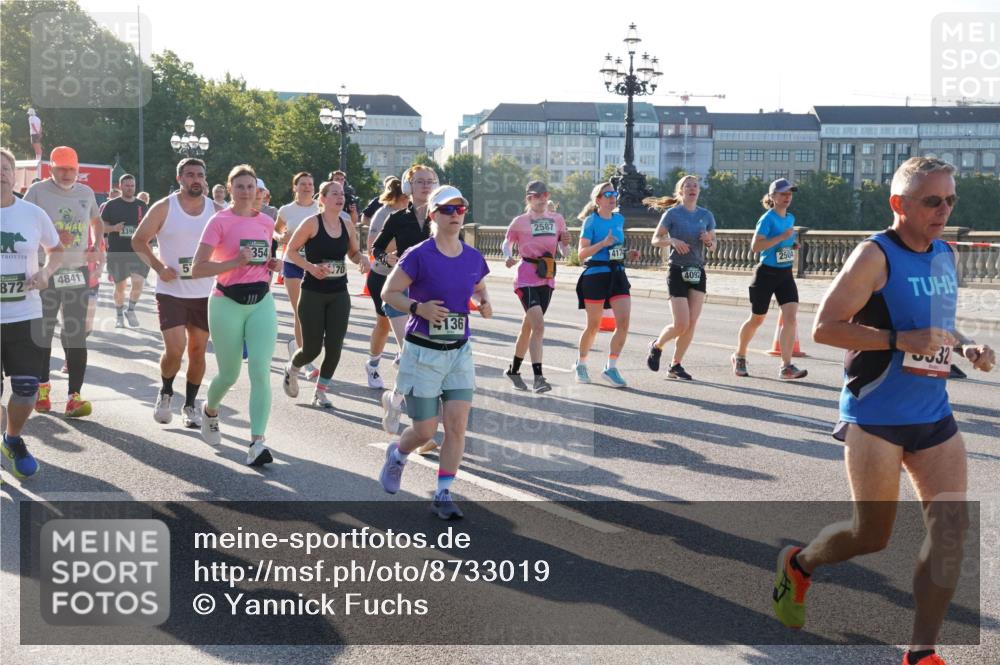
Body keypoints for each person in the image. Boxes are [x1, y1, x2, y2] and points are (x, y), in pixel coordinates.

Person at [773, 157, 995, 665]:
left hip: (933, 414)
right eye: (932, 201)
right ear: (899, 204)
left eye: (950, 200)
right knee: (870, 536)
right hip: (875, 416)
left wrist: (966, 347)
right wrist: (898, 340)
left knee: (951, 532)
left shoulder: (945, 253)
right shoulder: (874, 256)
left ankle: (922, 652)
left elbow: (938, 324)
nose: (944, 210)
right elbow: (825, 327)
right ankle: (801, 565)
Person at [377, 185, 491, 520]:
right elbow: (389, 293)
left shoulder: (472, 256)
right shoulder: (418, 254)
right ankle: (398, 455)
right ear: (433, 215)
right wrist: (418, 307)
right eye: (447, 209)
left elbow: (479, 287)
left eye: (460, 209)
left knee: (456, 426)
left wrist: (483, 302)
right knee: (425, 431)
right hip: (423, 353)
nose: (455, 215)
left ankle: (443, 493)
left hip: (459, 352)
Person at [191, 164, 281, 466]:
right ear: (230, 189)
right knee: (229, 373)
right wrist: (233, 262)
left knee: (260, 370)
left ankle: (257, 442)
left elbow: (263, 259)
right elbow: (198, 268)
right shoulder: (219, 221)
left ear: (259, 191)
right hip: (226, 302)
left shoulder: (267, 222)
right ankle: (210, 410)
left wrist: (272, 265)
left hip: (261, 302)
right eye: (240, 186)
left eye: (251, 186)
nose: (246, 191)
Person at [132, 157, 219, 429]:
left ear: (205, 179)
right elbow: (138, 240)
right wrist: (159, 267)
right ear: (180, 178)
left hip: (204, 293)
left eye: (200, 175)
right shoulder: (164, 207)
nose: (196, 179)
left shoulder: (216, 210)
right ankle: (166, 391)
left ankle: (191, 405)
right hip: (171, 291)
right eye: (190, 174)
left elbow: (232, 243)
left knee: (197, 350)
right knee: (175, 349)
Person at [24, 146, 103, 418]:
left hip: (77, 271)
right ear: (52, 169)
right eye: (62, 169)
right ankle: (42, 388)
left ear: (78, 170)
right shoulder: (37, 192)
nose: (68, 174)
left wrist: (97, 246)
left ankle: (74, 397)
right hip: (45, 272)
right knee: (43, 333)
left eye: (72, 169)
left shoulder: (86, 193)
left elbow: (96, 220)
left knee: (75, 335)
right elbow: (24, 225)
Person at [0, 147, 63, 478]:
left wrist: (46, 273)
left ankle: (12, 439)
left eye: (6, 168)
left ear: (14, 174)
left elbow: (57, 250)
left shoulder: (32, 214)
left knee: (26, 389)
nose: (1, 173)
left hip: (26, 314)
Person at [282, 180, 370, 407]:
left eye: (342, 194)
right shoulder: (311, 223)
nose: (340, 198)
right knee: (312, 349)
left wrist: (361, 258)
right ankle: (292, 368)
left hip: (339, 292)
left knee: (335, 346)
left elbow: (352, 252)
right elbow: (290, 251)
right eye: (334, 194)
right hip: (312, 292)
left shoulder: (347, 224)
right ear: (322, 199)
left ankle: (320, 392)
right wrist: (310, 267)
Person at [372, 165, 437, 434]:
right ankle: (419, 424)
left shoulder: (442, 218)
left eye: (430, 182)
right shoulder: (398, 218)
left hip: (431, 294)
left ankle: (394, 400)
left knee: (423, 356)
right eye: (420, 181)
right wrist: (385, 258)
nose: (425, 186)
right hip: (399, 293)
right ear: (409, 187)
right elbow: (376, 247)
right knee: (411, 350)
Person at [732, 178, 808, 380]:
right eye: (783, 194)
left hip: (785, 274)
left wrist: (791, 247)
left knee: (790, 318)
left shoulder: (790, 218)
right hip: (765, 273)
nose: (787, 197)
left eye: (790, 194)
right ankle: (739, 355)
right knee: (757, 319)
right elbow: (756, 247)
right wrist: (782, 238)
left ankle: (786, 366)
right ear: (772, 197)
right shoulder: (767, 219)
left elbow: (781, 244)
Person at [644, 175, 716, 380]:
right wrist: (673, 240)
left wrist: (709, 241)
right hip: (677, 270)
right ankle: (656, 346)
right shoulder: (672, 214)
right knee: (681, 324)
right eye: (688, 186)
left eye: (696, 186)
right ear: (681, 191)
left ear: (699, 191)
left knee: (692, 323)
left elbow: (714, 245)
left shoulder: (706, 215)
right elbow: (656, 239)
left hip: (697, 270)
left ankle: (675, 365)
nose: (692, 188)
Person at [501, 180, 569, 393]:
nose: (541, 199)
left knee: (528, 327)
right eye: (536, 196)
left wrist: (566, 242)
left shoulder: (557, 220)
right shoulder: (520, 221)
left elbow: (565, 253)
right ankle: (539, 378)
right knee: (538, 326)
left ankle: (513, 370)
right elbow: (506, 242)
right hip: (525, 278)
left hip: (547, 277)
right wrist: (508, 256)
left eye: (544, 194)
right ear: (528, 199)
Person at [573, 182, 631, 388]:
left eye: (614, 193)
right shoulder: (591, 221)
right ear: (597, 200)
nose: (612, 196)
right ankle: (581, 363)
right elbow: (581, 254)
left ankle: (611, 367)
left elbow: (617, 248)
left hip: (617, 274)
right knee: (594, 325)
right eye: (607, 193)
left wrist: (627, 254)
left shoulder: (619, 219)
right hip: (595, 275)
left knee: (623, 323)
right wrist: (602, 244)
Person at [363, 176, 410, 391]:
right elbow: (372, 246)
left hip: (411, 277)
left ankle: (405, 357)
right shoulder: (384, 213)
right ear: (402, 195)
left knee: (414, 323)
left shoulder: (418, 212)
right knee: (384, 325)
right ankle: (372, 365)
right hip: (383, 276)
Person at [274, 172, 320, 378]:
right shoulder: (286, 210)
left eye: (310, 184)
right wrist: (282, 237)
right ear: (295, 187)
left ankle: (297, 347)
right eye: (302, 184)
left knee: (316, 314)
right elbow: (275, 232)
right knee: (301, 311)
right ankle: (306, 358)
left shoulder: (320, 207)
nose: (307, 187)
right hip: (293, 264)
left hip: (316, 266)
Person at [101, 174, 149, 328]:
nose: (130, 188)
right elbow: (101, 227)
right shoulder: (111, 205)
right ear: (120, 186)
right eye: (127, 185)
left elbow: (150, 226)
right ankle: (119, 315)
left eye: (132, 185)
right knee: (120, 287)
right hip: (118, 252)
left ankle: (131, 309)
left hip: (138, 252)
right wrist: (114, 228)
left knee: (138, 282)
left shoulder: (142, 205)